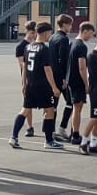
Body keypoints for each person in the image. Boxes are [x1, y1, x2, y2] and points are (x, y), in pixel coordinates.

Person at [16, 21, 64, 149]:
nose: (50, 36)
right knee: (49, 110)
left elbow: (24, 67)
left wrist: (23, 83)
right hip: (43, 86)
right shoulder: (44, 49)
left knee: (25, 110)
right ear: (46, 33)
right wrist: (54, 87)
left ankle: (13, 137)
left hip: (30, 84)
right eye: (50, 33)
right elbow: (47, 69)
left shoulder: (28, 47)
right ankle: (48, 141)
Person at [65, 22, 94, 145]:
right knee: (77, 108)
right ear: (85, 31)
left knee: (76, 108)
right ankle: (75, 135)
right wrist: (86, 84)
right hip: (77, 81)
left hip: (70, 80)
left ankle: (73, 131)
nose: (91, 37)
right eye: (91, 34)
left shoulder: (72, 43)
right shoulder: (81, 46)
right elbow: (82, 67)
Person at [49, 14, 75, 135]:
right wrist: (65, 77)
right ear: (64, 24)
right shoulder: (64, 39)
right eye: (70, 24)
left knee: (54, 104)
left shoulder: (52, 37)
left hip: (53, 75)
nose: (71, 26)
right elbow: (63, 60)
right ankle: (62, 128)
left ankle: (51, 130)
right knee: (70, 102)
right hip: (62, 76)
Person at [13, 20, 38, 138]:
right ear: (27, 32)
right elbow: (22, 64)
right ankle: (29, 127)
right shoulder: (21, 46)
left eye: (35, 33)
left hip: (38, 78)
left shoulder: (36, 45)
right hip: (27, 78)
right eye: (32, 33)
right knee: (28, 105)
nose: (34, 35)